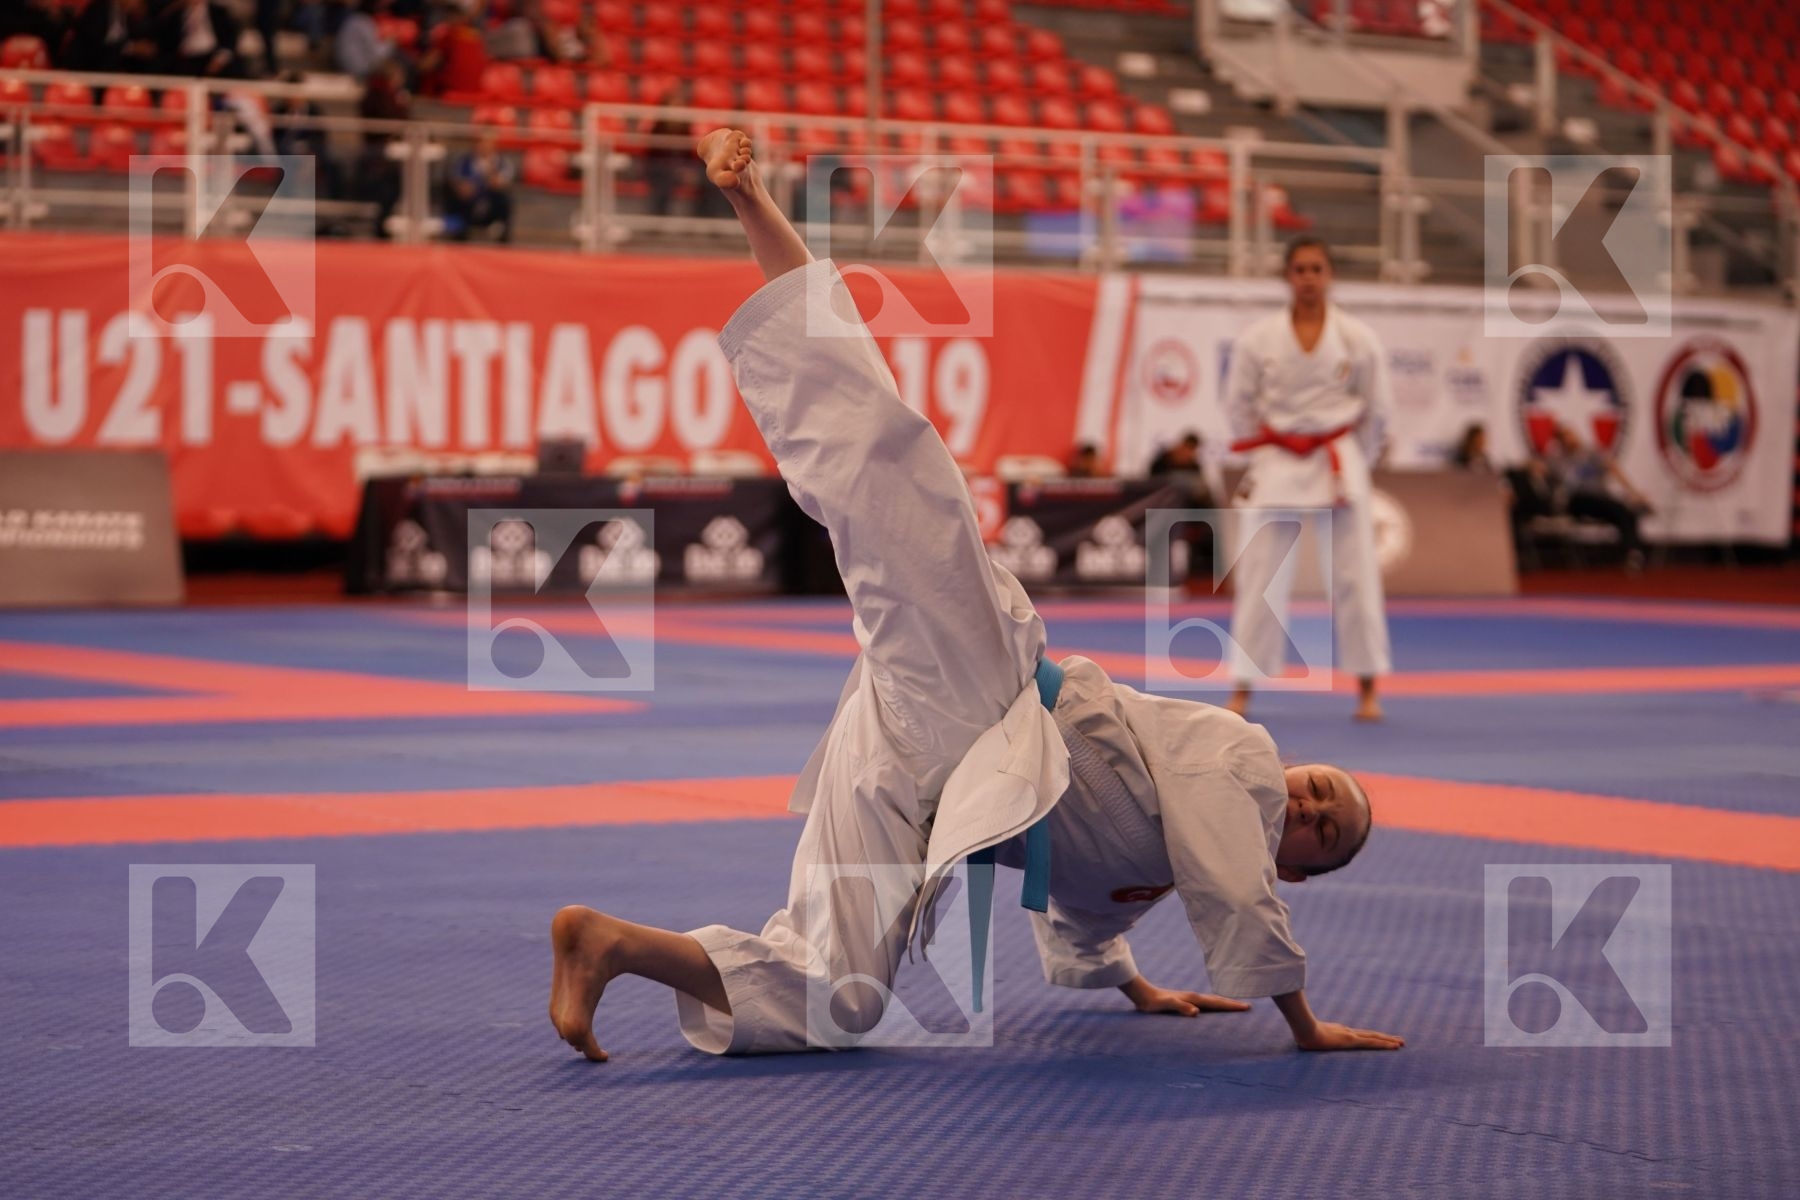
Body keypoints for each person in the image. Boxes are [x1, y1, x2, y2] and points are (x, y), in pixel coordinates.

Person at [546, 129, 1405, 1063]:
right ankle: (752, 198)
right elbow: (1236, 889)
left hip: (921, 756)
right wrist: (1304, 1024)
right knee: (888, 469)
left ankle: (613, 944)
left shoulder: (1155, 869)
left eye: (1325, 833)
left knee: (841, 995)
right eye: (1323, 792)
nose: (1313, 810)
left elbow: (1084, 905)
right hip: (988, 681)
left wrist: (1132, 983)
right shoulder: (1241, 760)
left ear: (1305, 869)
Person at [1221, 236, 1392, 723]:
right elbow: (1238, 407)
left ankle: (1367, 686)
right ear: (1288, 276)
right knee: (1260, 578)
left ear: (1329, 274)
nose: (1309, 277)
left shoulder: (1358, 339)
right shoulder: (1259, 339)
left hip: (1336, 459)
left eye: (1317, 268)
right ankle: (1244, 685)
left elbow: (1378, 412)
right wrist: (1274, 441)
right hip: (1279, 457)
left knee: (1357, 577)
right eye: (1300, 269)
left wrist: (1358, 456)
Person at [1546, 423, 1652, 569]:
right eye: (1565, 436)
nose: (1571, 438)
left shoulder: (1591, 452)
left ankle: (1633, 552)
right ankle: (1633, 551)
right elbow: (1538, 467)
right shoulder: (1557, 460)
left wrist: (1632, 492)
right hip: (1577, 501)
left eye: (1571, 433)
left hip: (1601, 501)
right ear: (1560, 442)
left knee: (1626, 512)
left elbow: (1613, 468)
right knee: (1615, 506)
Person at [446, 130, 515, 241]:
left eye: (488, 143)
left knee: (504, 199)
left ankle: (501, 232)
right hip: (469, 202)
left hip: (491, 202)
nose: (484, 146)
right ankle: (457, 231)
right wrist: (464, 187)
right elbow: (457, 182)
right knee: (451, 196)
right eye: (481, 143)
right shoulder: (463, 162)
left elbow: (499, 183)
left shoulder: (502, 162)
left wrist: (490, 170)